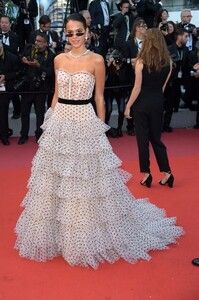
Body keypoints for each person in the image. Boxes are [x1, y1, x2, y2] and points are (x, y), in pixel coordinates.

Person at [14, 13, 183, 269]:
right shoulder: (58, 59)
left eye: (79, 32)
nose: (74, 38)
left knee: (85, 179)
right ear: (65, 35)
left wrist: (101, 130)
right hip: (60, 121)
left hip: (84, 120)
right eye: (69, 33)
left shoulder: (96, 60)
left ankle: (83, 232)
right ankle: (58, 232)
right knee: (55, 179)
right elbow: (56, 95)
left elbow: (100, 98)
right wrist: (49, 125)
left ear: (88, 32)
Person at [124, 28, 174, 188]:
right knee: (156, 139)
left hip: (142, 103)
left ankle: (146, 174)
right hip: (158, 102)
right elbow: (163, 88)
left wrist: (128, 106)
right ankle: (167, 172)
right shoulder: (169, 63)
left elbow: (137, 87)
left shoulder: (140, 61)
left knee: (142, 140)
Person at [17, 32, 55, 144]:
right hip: (27, 87)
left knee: (39, 114)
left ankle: (39, 135)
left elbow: (50, 73)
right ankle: (23, 135)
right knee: (24, 113)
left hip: (41, 89)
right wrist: (23, 59)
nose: (36, 43)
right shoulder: (29, 48)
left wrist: (39, 66)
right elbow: (20, 57)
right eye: (36, 40)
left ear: (45, 43)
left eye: (39, 41)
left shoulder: (51, 55)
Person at [122, 17, 147, 136]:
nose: (146, 28)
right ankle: (130, 125)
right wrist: (132, 61)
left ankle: (142, 124)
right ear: (137, 28)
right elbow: (123, 59)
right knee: (131, 101)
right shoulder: (129, 43)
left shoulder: (148, 43)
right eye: (144, 26)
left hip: (146, 76)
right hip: (132, 76)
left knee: (143, 101)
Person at [163, 28, 189, 132]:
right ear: (179, 36)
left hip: (179, 80)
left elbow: (186, 65)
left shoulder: (186, 50)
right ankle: (159, 125)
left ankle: (166, 125)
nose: (187, 39)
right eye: (185, 36)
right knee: (163, 104)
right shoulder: (169, 48)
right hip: (168, 80)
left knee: (171, 104)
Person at [0, 41, 20, 145]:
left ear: (2, 47)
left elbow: (18, 73)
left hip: (5, 90)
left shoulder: (12, 58)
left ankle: (4, 135)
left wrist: (5, 77)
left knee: (3, 113)